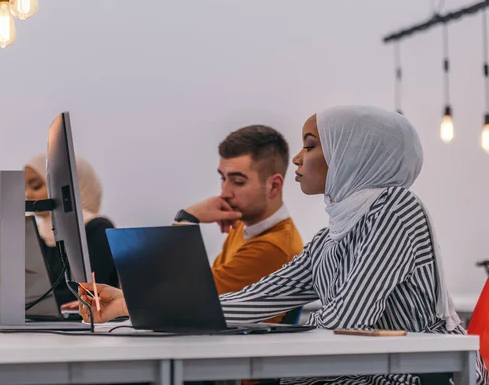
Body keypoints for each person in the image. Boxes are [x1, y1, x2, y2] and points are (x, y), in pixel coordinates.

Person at [79, 106, 488, 384]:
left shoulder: (395, 208)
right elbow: (257, 298)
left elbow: (348, 320)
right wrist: (134, 305)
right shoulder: (333, 234)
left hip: (407, 376)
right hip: (354, 372)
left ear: (351, 157)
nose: (297, 160)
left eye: (310, 146)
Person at [0, 153, 118, 309]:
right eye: (25, 188)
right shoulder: (40, 233)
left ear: (68, 186)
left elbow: (86, 293)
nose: (27, 194)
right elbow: (25, 286)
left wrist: (0, 299)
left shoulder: (98, 229)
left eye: (35, 186)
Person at [174, 125, 303, 322]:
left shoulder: (272, 248)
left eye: (238, 181)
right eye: (223, 178)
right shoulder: (245, 224)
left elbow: (178, 297)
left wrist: (188, 218)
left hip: (243, 350)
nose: (225, 192)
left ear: (274, 185)